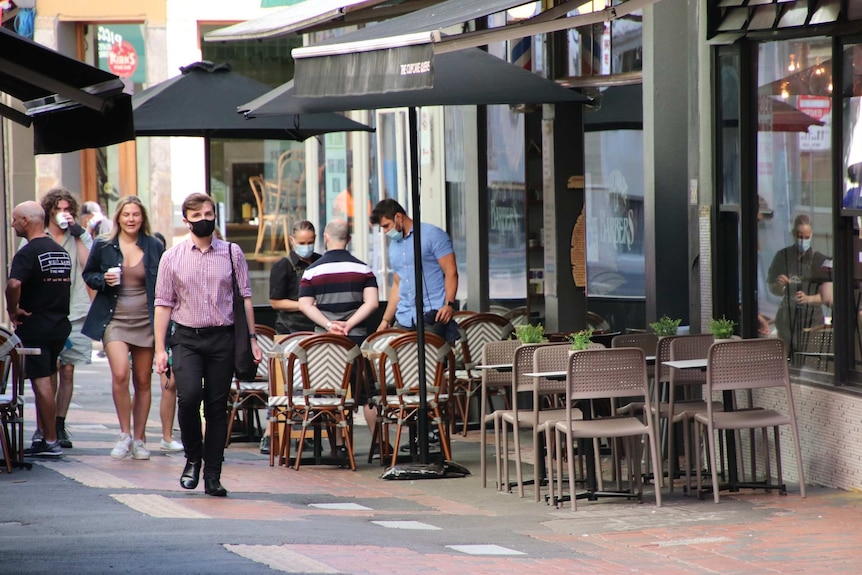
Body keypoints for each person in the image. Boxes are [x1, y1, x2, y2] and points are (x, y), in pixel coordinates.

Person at [154, 192, 262, 497]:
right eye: (197, 215)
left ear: (216, 216)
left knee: (217, 408)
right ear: (186, 220)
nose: (204, 220)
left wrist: (252, 339)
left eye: (208, 214)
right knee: (188, 399)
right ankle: (192, 459)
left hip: (222, 339)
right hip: (186, 338)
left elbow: (245, 299)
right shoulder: (171, 257)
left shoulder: (232, 253)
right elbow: (163, 305)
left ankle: (213, 473)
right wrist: (161, 349)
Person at [82, 196, 164, 460]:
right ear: (118, 217)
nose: (131, 219)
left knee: (142, 380)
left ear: (143, 218)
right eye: (126, 214)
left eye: (136, 215)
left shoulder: (154, 246)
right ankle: (124, 434)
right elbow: (89, 276)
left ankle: (140, 440)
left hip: (146, 321)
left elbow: (164, 282)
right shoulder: (104, 245)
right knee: (120, 375)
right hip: (113, 319)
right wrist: (102, 279)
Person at [297, 218, 379, 448]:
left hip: (324, 344)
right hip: (357, 341)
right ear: (349, 239)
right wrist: (349, 324)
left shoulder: (312, 271)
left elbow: (305, 304)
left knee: (332, 393)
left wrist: (329, 324)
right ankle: (380, 444)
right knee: (366, 394)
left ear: (325, 238)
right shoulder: (363, 269)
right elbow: (371, 303)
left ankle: (341, 446)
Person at [6, 201, 72, 457]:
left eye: (14, 219)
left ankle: (51, 439)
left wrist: (13, 309)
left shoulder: (27, 253)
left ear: (25, 220)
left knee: (41, 382)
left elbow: (13, 283)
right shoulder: (59, 251)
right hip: (59, 324)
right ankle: (46, 433)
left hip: (36, 326)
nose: (12, 224)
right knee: (48, 376)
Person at [34, 187, 93, 450]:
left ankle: (59, 423)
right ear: (48, 212)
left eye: (68, 210)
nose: (63, 214)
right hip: (45, 312)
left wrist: (79, 234)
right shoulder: (38, 236)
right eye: (58, 209)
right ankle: (42, 427)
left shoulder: (80, 236)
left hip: (75, 310)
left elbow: (90, 268)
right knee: (47, 369)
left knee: (67, 368)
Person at [262, 220, 321, 454]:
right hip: (288, 330)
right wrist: (303, 306)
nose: (306, 246)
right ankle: (271, 432)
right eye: (302, 242)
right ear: (292, 241)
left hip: (314, 330)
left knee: (308, 384)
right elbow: (276, 301)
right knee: (282, 385)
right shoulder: (283, 266)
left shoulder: (319, 262)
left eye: (310, 242)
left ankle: (304, 432)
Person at [369, 198, 459, 342]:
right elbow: (398, 284)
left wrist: (449, 305)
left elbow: (451, 271)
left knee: (432, 361)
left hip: (433, 315)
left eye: (387, 226)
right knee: (401, 361)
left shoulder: (432, 235)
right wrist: (386, 320)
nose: (385, 231)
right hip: (405, 317)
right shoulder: (394, 246)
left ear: (398, 217)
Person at [767, 214, 831, 356]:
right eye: (799, 236)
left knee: (808, 360)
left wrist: (808, 298)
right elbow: (772, 287)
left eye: (806, 237)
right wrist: (779, 285)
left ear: (811, 235)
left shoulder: (820, 260)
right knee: (786, 360)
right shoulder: (782, 256)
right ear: (793, 234)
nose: (803, 240)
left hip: (811, 321)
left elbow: (828, 297)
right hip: (786, 321)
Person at [153, 231, 183, 452]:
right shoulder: (157, 268)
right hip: (162, 328)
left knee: (177, 385)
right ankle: (165, 434)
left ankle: (169, 435)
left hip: (180, 328)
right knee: (168, 384)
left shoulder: (175, 264)